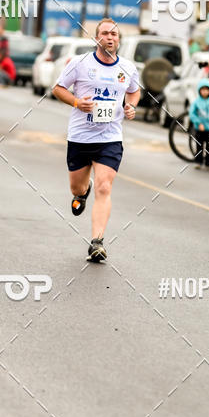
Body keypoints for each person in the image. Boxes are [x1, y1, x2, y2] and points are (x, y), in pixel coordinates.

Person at [52, 18, 140, 263]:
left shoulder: (128, 68)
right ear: (96, 38)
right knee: (77, 187)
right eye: (105, 33)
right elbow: (58, 88)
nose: (110, 37)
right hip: (80, 137)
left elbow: (134, 91)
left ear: (118, 39)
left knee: (104, 186)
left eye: (114, 34)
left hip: (110, 138)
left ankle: (97, 242)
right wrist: (78, 103)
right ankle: (82, 193)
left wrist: (131, 106)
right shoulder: (79, 63)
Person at [189, 81, 209, 168]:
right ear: (199, 91)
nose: (205, 92)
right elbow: (192, 114)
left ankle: (208, 162)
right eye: (203, 90)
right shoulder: (196, 102)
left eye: (207, 90)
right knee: (199, 146)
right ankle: (199, 162)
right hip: (200, 129)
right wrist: (198, 123)